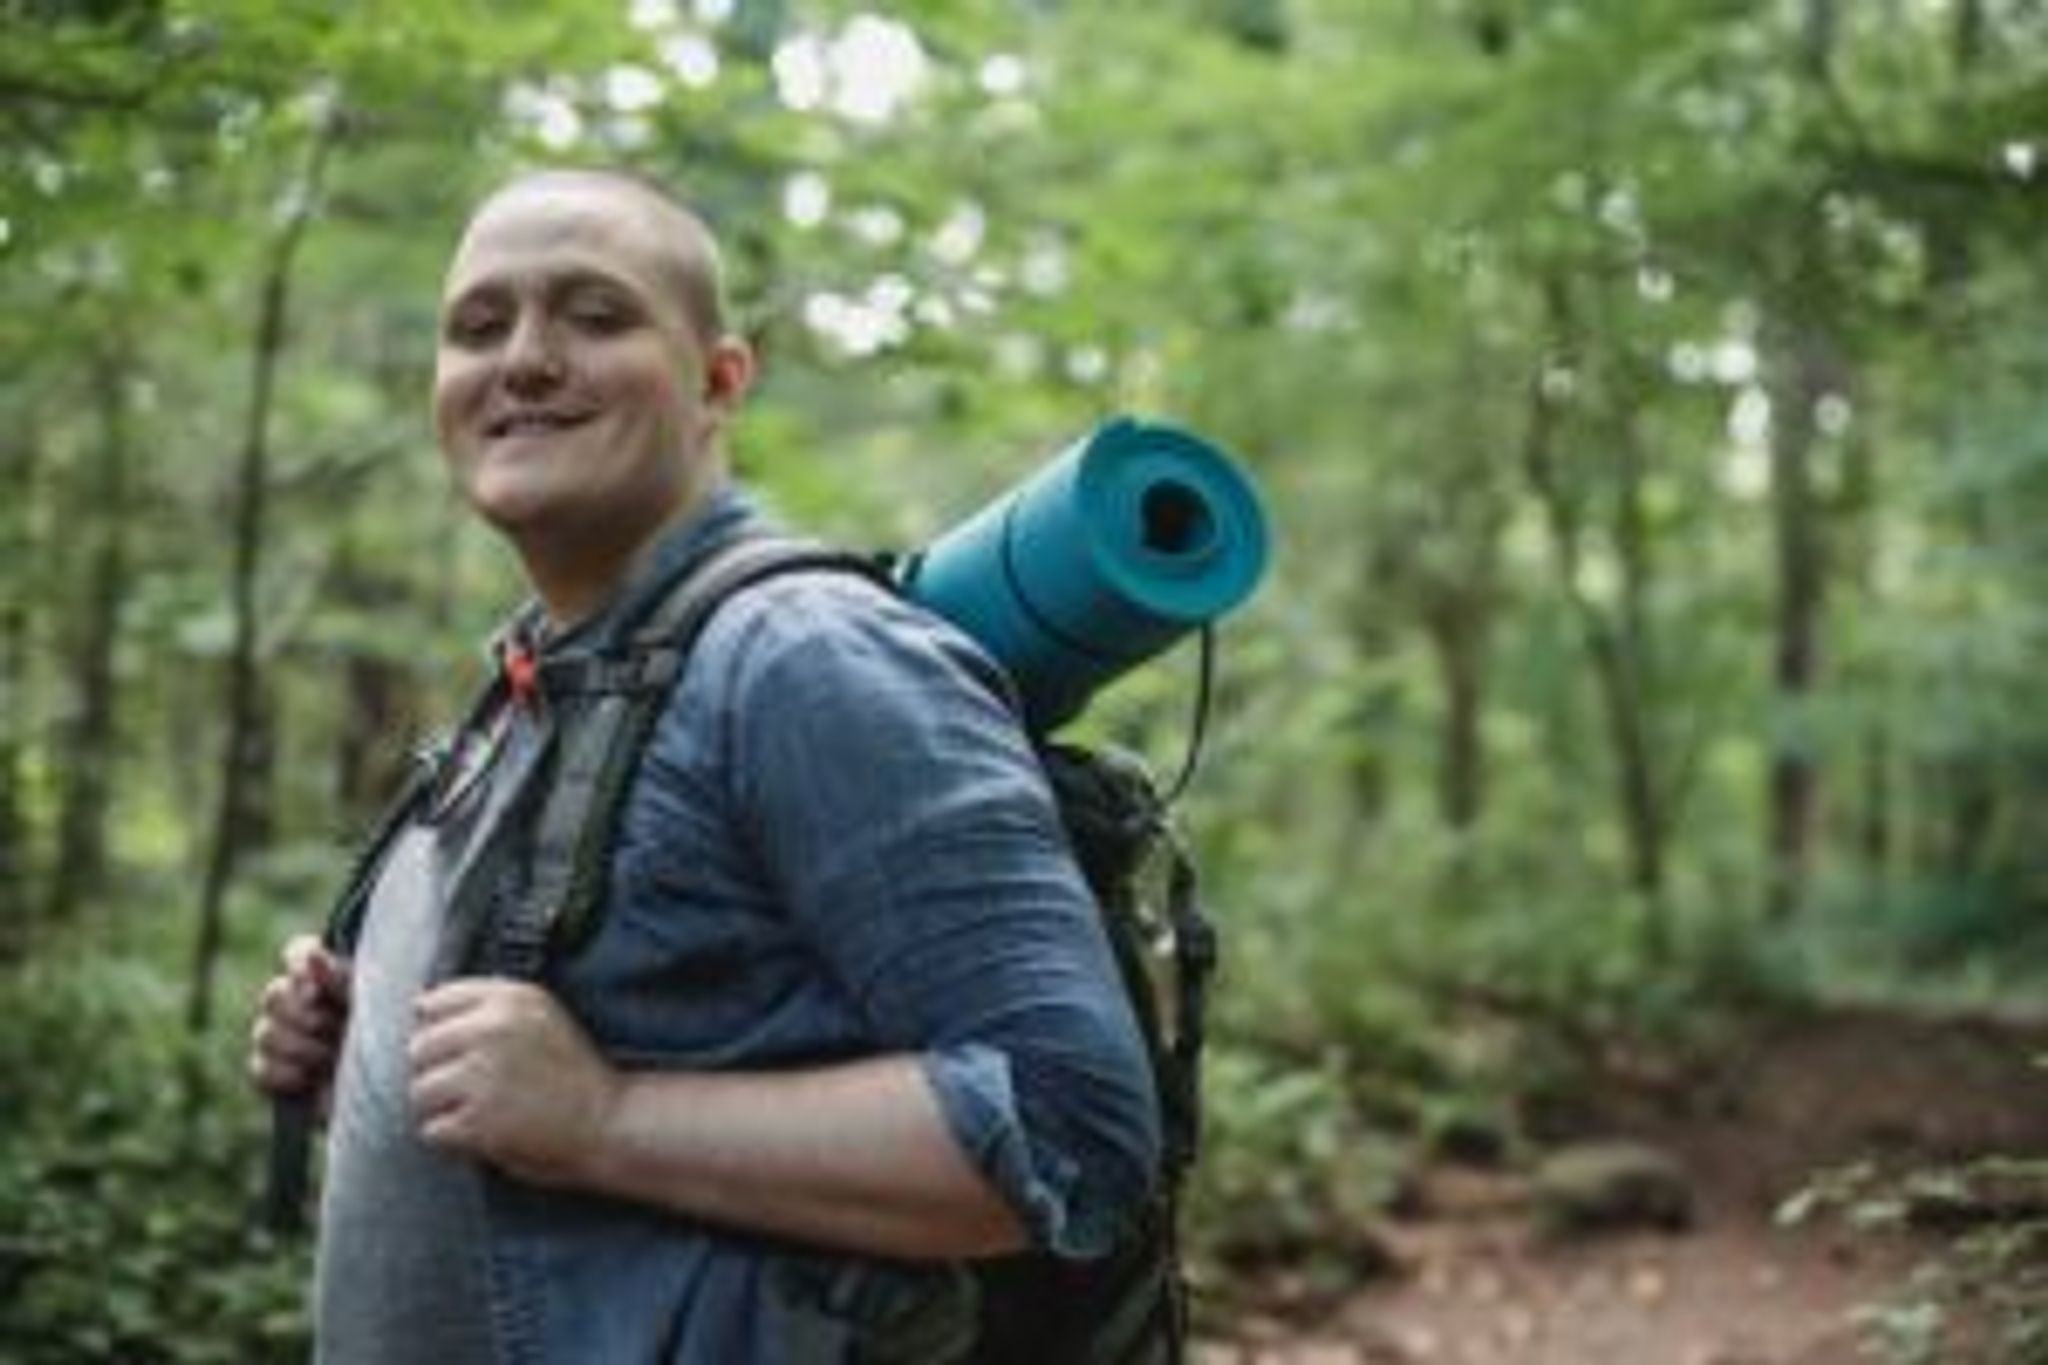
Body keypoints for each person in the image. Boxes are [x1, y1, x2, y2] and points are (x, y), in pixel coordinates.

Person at [247, 168, 1162, 1364]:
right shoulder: (539, 682)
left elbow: (1068, 1133)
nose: (521, 359)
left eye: (594, 315)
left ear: (717, 382)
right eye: (479, 326)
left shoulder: (803, 658)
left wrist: (605, 1119)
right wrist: (363, 1054)